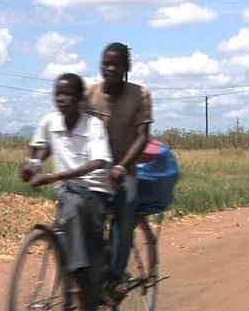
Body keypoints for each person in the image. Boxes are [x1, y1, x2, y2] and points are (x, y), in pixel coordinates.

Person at [19, 72, 118, 310]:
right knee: (68, 217)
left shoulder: (93, 125)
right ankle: (75, 274)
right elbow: (38, 149)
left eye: (68, 94)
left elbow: (98, 163)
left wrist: (54, 176)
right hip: (67, 190)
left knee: (75, 213)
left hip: (95, 189)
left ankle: (78, 280)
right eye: (58, 94)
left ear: (80, 98)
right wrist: (31, 165)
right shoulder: (50, 122)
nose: (62, 99)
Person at [84, 42, 153, 303]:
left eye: (116, 64)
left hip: (126, 171)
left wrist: (122, 166)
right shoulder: (89, 94)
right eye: (106, 63)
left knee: (125, 217)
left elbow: (143, 136)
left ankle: (115, 277)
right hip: (95, 172)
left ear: (127, 68)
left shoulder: (140, 94)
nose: (110, 68)